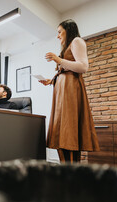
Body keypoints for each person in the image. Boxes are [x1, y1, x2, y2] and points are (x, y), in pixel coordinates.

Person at [39, 19, 100, 163]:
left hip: (70, 92)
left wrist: (58, 60)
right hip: (62, 92)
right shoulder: (67, 47)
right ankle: (67, 172)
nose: (58, 35)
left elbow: (83, 67)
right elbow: (66, 71)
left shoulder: (77, 41)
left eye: (60, 31)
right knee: (61, 133)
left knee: (68, 132)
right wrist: (51, 81)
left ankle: (71, 174)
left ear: (69, 30)